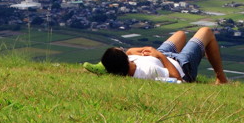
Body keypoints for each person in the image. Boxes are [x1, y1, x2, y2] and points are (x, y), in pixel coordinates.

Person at [89, 26, 230, 84]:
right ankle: (221, 78)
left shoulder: (126, 63)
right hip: (181, 65)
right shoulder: (148, 71)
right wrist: (159, 56)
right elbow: (177, 79)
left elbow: (130, 52)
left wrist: (147, 50)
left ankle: (200, 52)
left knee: (180, 34)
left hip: (161, 56)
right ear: (124, 61)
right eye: (121, 50)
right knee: (206, 31)